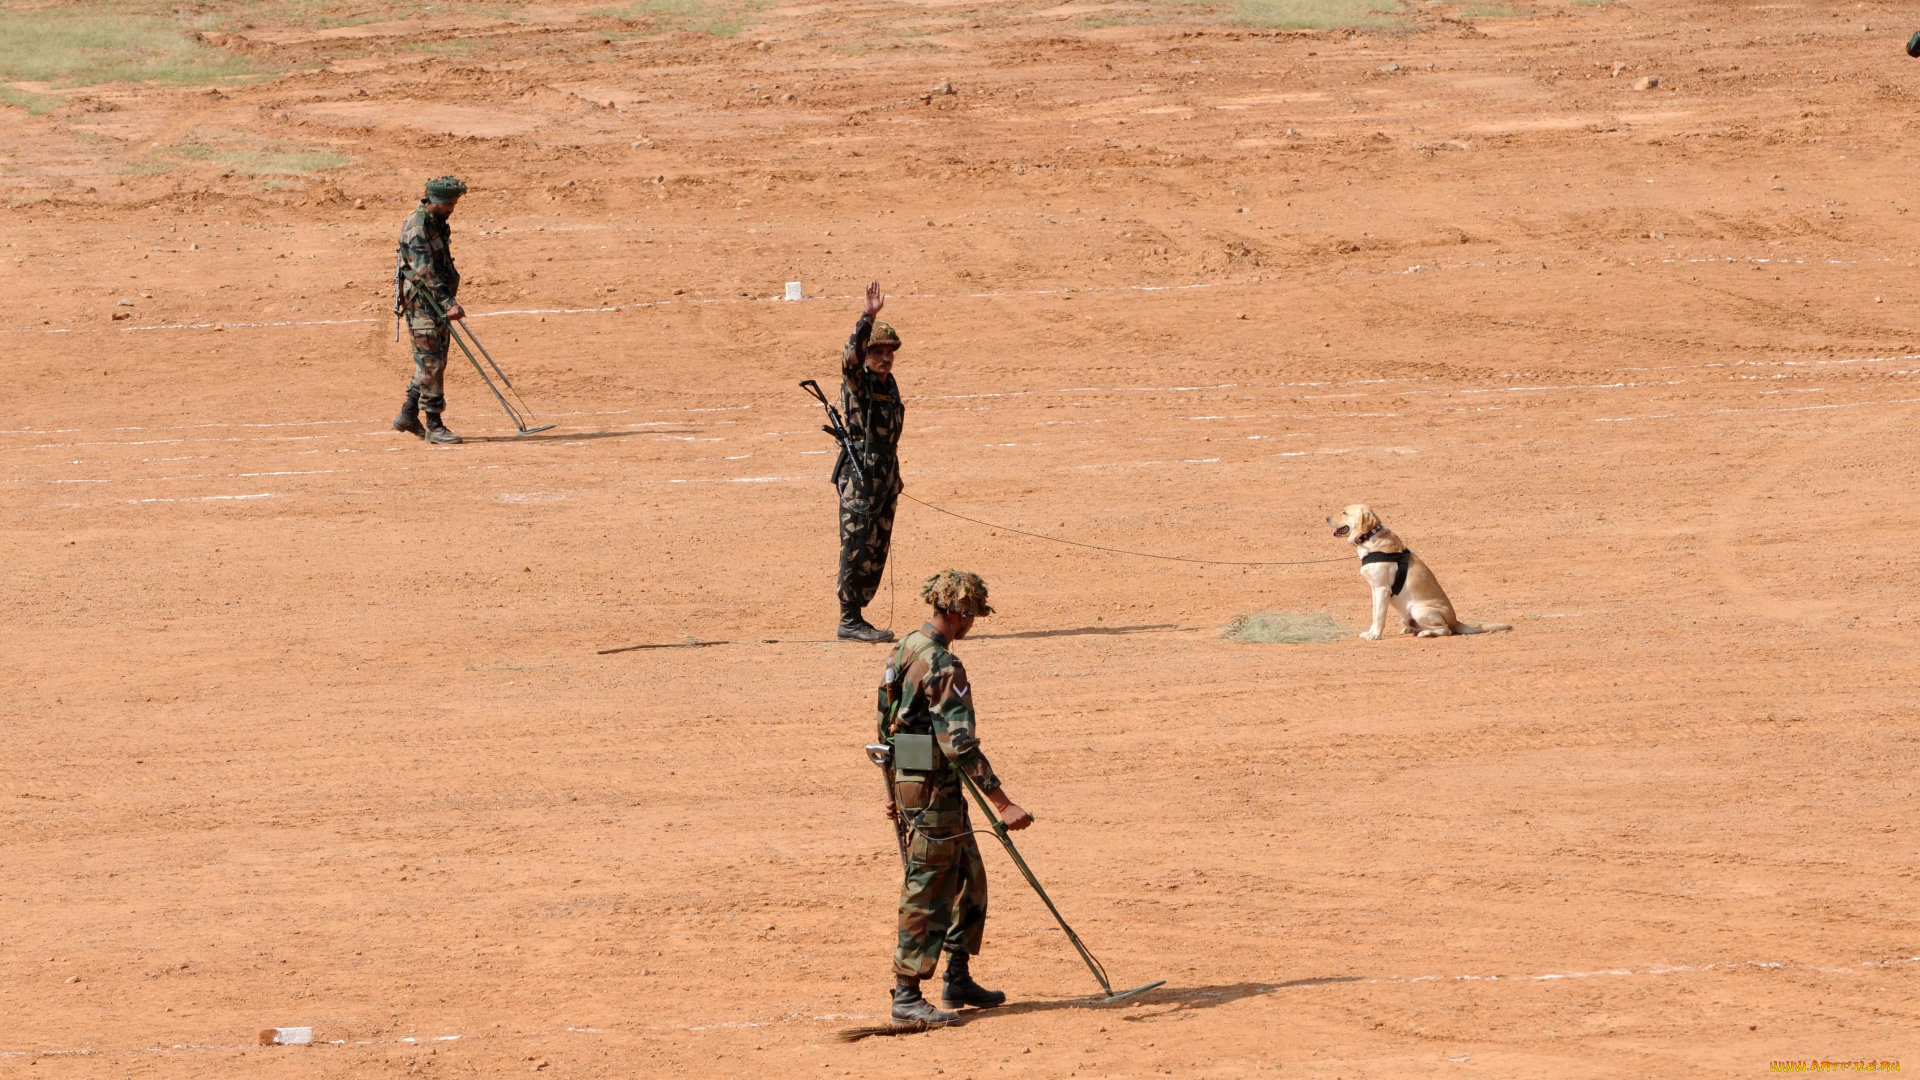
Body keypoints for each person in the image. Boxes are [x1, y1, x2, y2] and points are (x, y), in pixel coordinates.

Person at [877, 570, 1032, 1025]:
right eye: (970, 618)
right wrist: (1004, 804)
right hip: (933, 791)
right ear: (956, 615)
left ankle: (957, 976)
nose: (971, 626)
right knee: (928, 886)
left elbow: (884, 725)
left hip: (918, 783)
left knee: (969, 876)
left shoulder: (904, 647)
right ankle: (906, 995)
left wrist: (895, 788)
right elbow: (960, 743)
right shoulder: (944, 665)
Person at [835, 280, 905, 642]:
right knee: (856, 544)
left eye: (890, 351)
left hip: (885, 475)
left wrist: (894, 478)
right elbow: (849, 355)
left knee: (876, 546)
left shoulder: (888, 383)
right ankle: (849, 620)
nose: (886, 357)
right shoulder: (858, 382)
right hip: (861, 475)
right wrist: (867, 317)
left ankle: (859, 615)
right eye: (878, 351)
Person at [391, 176, 468, 445]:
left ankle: (408, 415)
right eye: (449, 203)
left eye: (455, 203)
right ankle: (434, 426)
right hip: (424, 303)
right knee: (431, 363)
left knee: (432, 361)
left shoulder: (436, 222)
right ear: (434, 201)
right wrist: (449, 304)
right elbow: (425, 271)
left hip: (433, 302)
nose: (452, 208)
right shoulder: (418, 226)